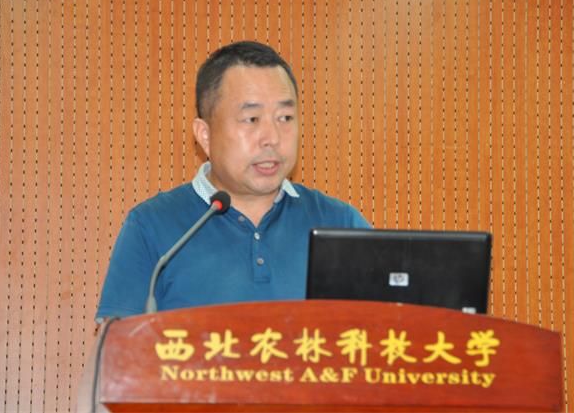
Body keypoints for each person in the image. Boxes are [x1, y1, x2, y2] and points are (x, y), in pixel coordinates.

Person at [94, 41, 370, 322]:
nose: (272, 138)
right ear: (205, 135)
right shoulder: (151, 226)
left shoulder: (340, 223)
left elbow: (386, 334)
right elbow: (116, 345)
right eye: (251, 119)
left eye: (285, 117)